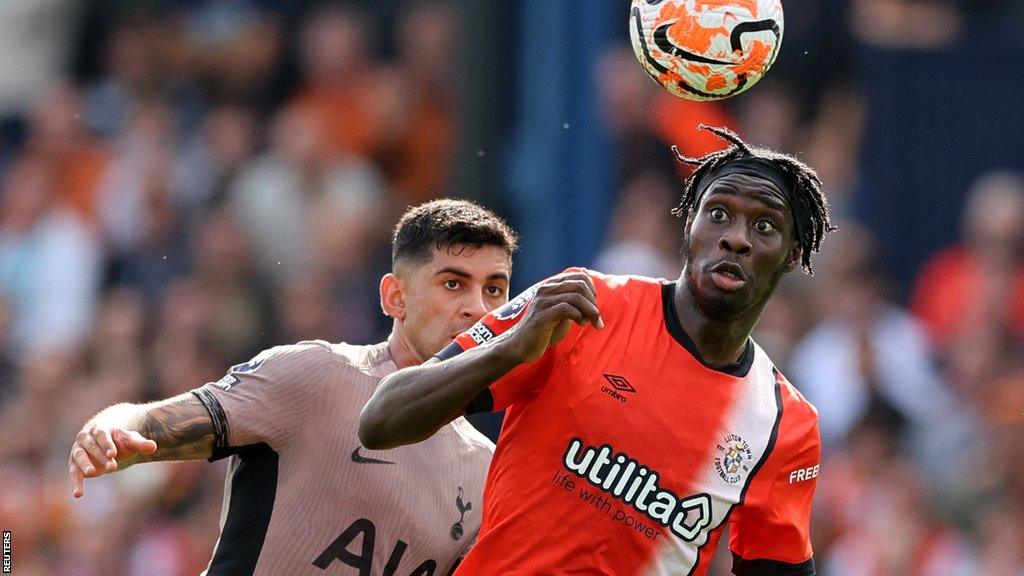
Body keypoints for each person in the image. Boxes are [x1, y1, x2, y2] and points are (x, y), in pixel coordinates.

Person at [360, 126, 836, 575]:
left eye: (766, 226)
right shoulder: (583, 303)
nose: (736, 237)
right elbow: (381, 420)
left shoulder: (784, 424)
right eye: (718, 214)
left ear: (793, 253)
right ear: (688, 222)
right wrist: (509, 348)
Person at [68, 199, 519, 576]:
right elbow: (159, 418)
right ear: (394, 297)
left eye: (495, 291)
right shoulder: (315, 375)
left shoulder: (487, 473)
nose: (478, 309)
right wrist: (111, 426)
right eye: (453, 284)